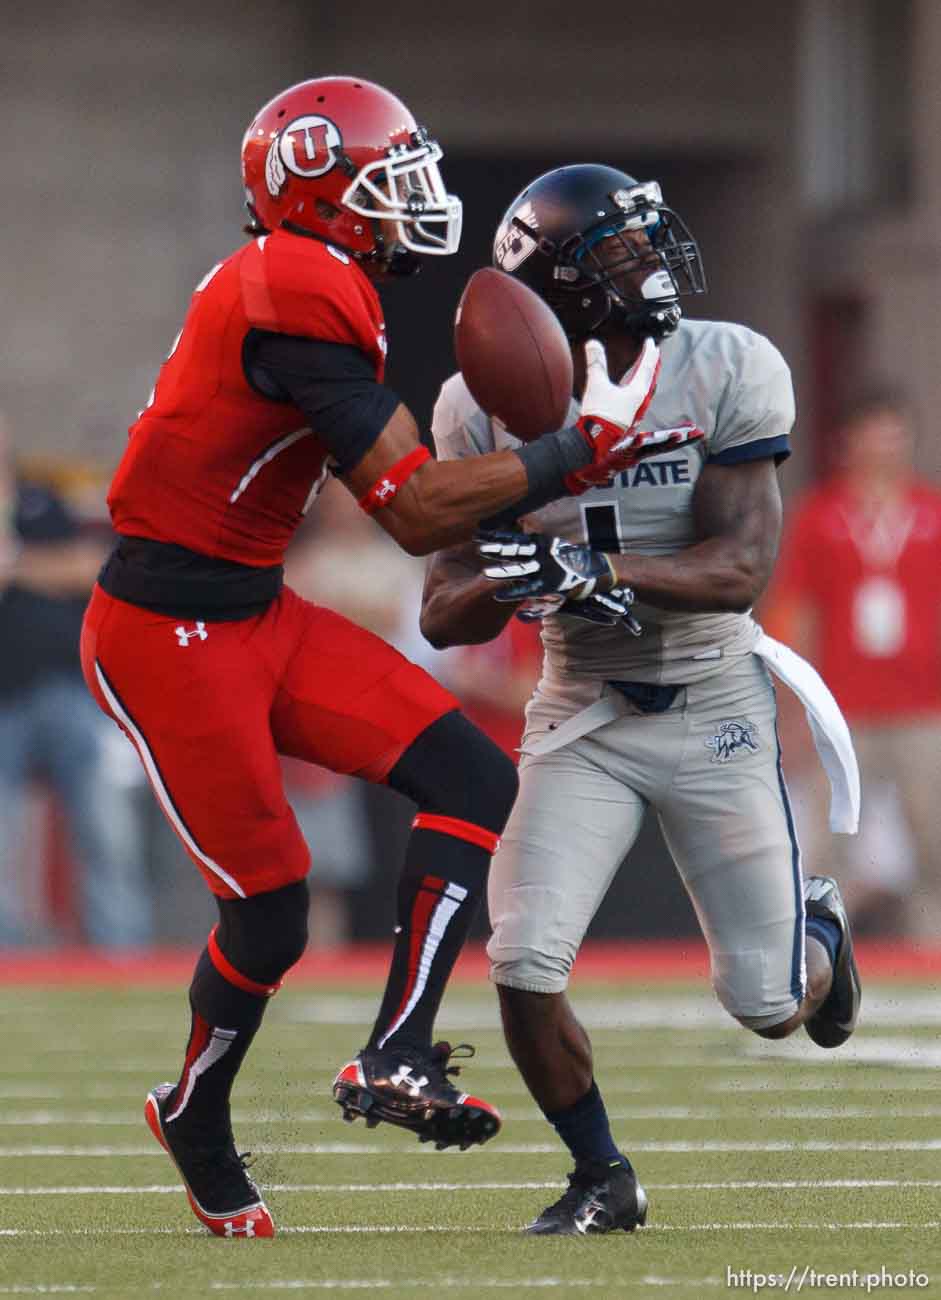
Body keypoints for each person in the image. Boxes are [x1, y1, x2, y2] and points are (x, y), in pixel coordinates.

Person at [79, 81, 680, 1240]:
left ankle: (398, 1050)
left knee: (470, 777)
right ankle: (195, 1115)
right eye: (385, 177)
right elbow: (410, 509)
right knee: (270, 916)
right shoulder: (298, 284)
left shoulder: (321, 282)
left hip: (256, 606)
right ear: (317, 188)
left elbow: (406, 485)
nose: (413, 198)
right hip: (164, 632)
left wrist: (558, 459)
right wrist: (573, 450)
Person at [421, 163, 863, 1236]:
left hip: (710, 694)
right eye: (617, 252)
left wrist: (590, 572)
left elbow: (738, 565)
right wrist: (507, 578)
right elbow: (442, 611)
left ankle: (813, 922)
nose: (649, 263)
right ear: (561, 288)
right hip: (581, 711)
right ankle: (600, 1176)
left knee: (766, 1004)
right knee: (521, 958)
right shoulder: (478, 404)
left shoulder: (721, 364)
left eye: (644, 240)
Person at [763, 391, 941, 939]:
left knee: (932, 839)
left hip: (923, 706)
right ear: (848, 442)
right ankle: (824, 951)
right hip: (843, 707)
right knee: (833, 846)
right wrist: (795, 707)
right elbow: (800, 615)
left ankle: (929, 950)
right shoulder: (821, 516)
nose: (886, 446)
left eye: (895, 433)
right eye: (874, 434)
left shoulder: (932, 511)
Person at [0, 418, 153, 949]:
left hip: (71, 690)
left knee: (105, 829)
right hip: (3, 700)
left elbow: (92, 565)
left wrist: (18, 564)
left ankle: (121, 951)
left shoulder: (42, 501)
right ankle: (9, 959)